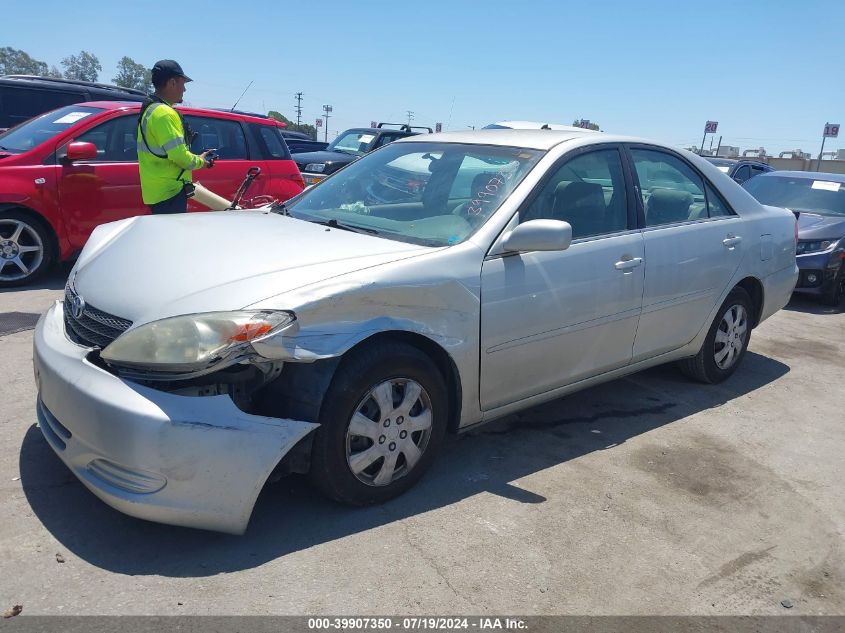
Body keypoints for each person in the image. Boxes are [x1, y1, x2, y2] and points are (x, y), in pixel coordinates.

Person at [137, 60, 213, 214]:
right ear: (172, 83)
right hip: (170, 193)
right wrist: (201, 162)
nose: (184, 89)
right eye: (182, 84)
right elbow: (180, 157)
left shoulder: (151, 109)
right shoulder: (165, 113)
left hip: (157, 191)